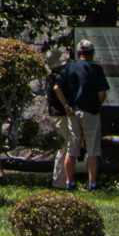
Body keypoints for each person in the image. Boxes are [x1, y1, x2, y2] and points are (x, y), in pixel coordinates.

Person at [59, 37, 111, 192]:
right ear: (92, 53)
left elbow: (57, 87)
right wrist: (96, 105)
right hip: (90, 112)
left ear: (79, 52)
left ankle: (70, 182)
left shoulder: (70, 67)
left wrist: (66, 105)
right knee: (92, 149)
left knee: (72, 148)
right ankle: (92, 183)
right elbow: (102, 93)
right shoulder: (96, 69)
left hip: (74, 112)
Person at [46, 60, 76, 189]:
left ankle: (62, 180)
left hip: (54, 114)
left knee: (62, 147)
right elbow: (57, 90)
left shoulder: (50, 76)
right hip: (60, 115)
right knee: (63, 148)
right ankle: (59, 182)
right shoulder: (57, 77)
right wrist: (66, 105)